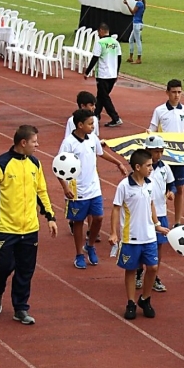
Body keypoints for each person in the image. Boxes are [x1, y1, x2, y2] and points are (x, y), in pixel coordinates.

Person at [0, 125, 58, 325]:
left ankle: (21, 308)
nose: (37, 145)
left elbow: (41, 191)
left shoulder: (35, 163)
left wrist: (50, 216)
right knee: (2, 267)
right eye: (34, 142)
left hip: (30, 229)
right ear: (23, 143)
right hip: (6, 229)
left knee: (26, 270)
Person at [57, 109, 127, 270]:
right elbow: (59, 167)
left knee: (99, 217)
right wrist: (65, 187)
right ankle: (79, 254)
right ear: (80, 125)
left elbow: (100, 153)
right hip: (77, 190)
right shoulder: (68, 143)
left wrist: (118, 163)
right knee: (79, 222)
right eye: (90, 124)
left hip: (94, 187)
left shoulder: (92, 138)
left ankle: (89, 245)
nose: (93, 127)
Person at [109, 149, 169, 320]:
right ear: (137, 167)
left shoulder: (150, 184)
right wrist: (114, 232)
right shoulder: (124, 186)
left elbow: (151, 205)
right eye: (148, 165)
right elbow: (115, 208)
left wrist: (157, 224)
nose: (151, 168)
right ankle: (130, 302)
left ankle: (145, 298)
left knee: (153, 268)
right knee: (131, 270)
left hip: (149, 236)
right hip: (131, 237)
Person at [148, 79, 184, 227]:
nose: (176, 95)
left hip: (180, 156)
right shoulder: (159, 110)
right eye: (174, 92)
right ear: (167, 92)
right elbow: (152, 130)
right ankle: (156, 217)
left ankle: (177, 221)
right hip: (164, 156)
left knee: (179, 188)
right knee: (160, 187)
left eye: (179, 92)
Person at [135, 135, 175, 293]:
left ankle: (154, 275)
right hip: (144, 214)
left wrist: (171, 192)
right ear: (147, 150)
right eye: (155, 151)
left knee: (158, 245)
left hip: (161, 212)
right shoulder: (144, 169)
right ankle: (138, 272)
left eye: (160, 151)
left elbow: (172, 185)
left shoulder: (165, 168)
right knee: (141, 245)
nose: (158, 154)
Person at [64, 91, 101, 239]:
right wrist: (65, 186)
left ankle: (92, 232)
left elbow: (94, 138)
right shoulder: (71, 123)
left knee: (96, 212)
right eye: (91, 105)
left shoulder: (94, 123)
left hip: (91, 172)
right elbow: (69, 140)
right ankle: (76, 223)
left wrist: (118, 162)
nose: (93, 108)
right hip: (76, 177)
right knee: (79, 214)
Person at [84, 22, 123, 127]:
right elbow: (119, 59)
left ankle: (115, 118)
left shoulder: (100, 43)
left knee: (104, 97)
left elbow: (95, 58)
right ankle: (96, 115)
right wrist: (117, 73)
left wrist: (87, 71)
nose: (97, 34)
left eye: (98, 32)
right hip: (112, 75)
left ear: (101, 31)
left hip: (102, 75)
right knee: (101, 96)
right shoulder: (115, 42)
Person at [123, 0, 145, 64]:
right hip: (138, 23)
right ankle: (131, 57)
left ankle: (139, 59)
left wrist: (127, 4)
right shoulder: (141, 3)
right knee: (131, 40)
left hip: (136, 24)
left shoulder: (139, 3)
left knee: (138, 41)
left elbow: (132, 12)